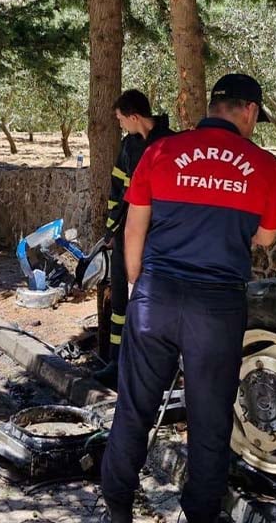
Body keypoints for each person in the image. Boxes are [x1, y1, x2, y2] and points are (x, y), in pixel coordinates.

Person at [102, 73, 276, 523]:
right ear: (250, 112)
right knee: (209, 419)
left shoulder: (162, 150)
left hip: (155, 296)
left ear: (212, 107)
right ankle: (200, 513)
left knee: (135, 408)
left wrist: (140, 286)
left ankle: (118, 506)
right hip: (217, 307)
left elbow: (134, 227)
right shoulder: (263, 165)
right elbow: (266, 237)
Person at [93, 89, 174, 388]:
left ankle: (153, 369)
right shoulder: (128, 146)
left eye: (120, 119)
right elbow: (117, 191)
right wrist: (112, 231)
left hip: (159, 238)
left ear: (134, 116)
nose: (119, 125)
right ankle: (117, 363)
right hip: (127, 235)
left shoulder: (171, 144)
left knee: (154, 304)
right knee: (120, 304)